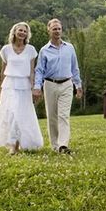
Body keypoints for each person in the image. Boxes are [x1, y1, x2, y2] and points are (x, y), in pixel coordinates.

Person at [33, 18, 83, 154]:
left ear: (62, 30)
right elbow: (39, 71)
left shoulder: (70, 48)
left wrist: (78, 85)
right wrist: (37, 87)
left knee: (63, 115)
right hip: (50, 84)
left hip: (67, 84)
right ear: (49, 30)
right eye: (54, 28)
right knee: (52, 116)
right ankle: (55, 145)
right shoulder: (44, 50)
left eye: (59, 28)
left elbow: (75, 68)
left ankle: (63, 145)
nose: (57, 31)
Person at [0, 22, 44, 154]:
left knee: (21, 115)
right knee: (10, 114)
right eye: (20, 30)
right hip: (9, 85)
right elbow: (3, 70)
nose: (22, 33)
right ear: (14, 32)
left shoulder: (31, 50)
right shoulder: (6, 49)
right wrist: (0, 89)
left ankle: (19, 143)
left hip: (24, 86)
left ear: (27, 34)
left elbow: (32, 71)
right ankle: (12, 145)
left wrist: (34, 88)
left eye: (25, 31)